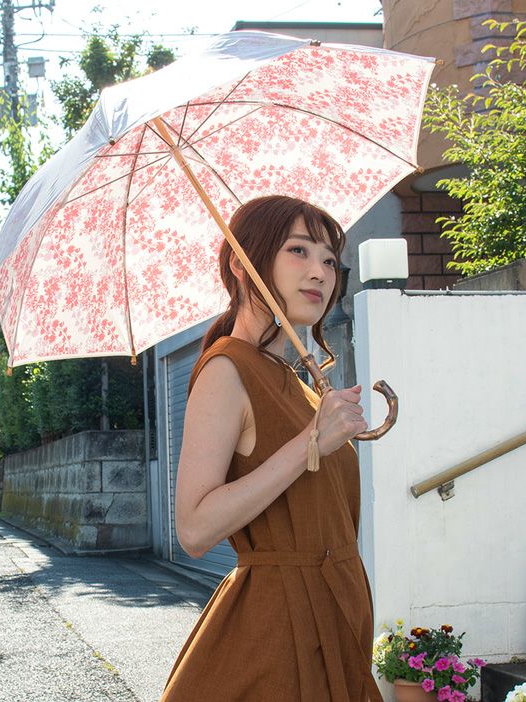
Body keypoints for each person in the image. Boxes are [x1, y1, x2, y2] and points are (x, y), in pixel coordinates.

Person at [159, 195, 383, 702]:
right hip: (277, 638)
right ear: (242, 265)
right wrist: (311, 442)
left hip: (335, 623)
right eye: (298, 251)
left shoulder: (297, 382)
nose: (320, 272)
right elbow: (194, 529)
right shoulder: (225, 370)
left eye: (330, 260)